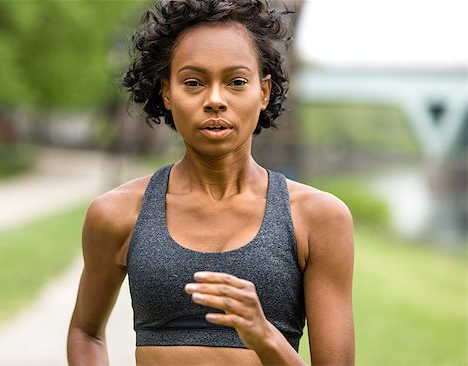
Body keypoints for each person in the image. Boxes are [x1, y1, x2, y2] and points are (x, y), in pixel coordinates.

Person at [67, 0, 355, 365]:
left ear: (263, 92)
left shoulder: (319, 219)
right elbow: (86, 332)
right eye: (193, 82)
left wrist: (265, 336)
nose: (215, 100)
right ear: (167, 92)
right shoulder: (118, 213)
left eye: (236, 82)